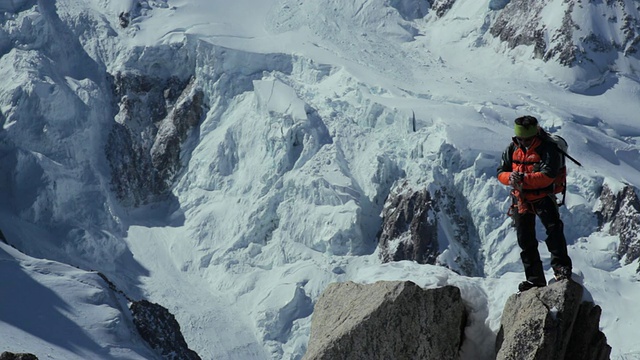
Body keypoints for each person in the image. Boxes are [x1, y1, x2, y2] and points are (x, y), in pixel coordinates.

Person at [497, 115, 573, 292]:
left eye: (527, 139)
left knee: (554, 232)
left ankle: (561, 268)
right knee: (526, 239)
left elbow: (547, 177)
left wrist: (520, 179)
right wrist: (510, 177)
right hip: (521, 199)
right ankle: (534, 279)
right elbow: (501, 172)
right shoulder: (512, 149)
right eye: (521, 138)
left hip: (542, 197)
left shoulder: (548, 149)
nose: (524, 142)